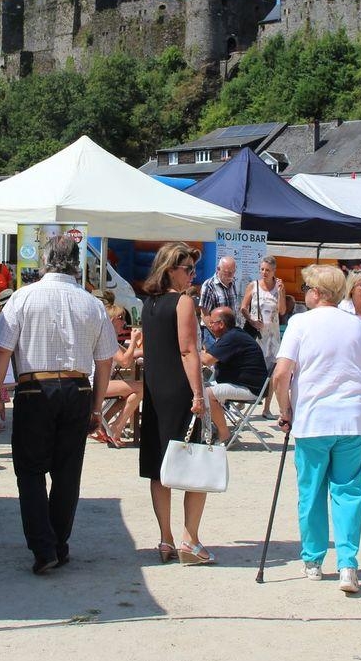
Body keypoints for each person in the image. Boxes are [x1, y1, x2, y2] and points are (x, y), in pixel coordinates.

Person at [0, 235, 115, 575]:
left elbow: (2, 350)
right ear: (77, 263)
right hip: (77, 387)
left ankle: (44, 548)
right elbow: (105, 361)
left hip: (34, 389)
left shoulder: (22, 298)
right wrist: (97, 406)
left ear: (45, 260)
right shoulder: (92, 303)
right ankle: (58, 543)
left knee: (29, 471)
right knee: (67, 472)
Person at [273, 265, 361, 594]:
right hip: (351, 420)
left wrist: (285, 408)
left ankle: (314, 559)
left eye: (306, 288)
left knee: (311, 491)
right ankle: (347, 563)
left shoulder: (300, 323)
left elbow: (281, 373)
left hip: (313, 420)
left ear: (317, 292)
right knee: (349, 491)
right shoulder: (359, 327)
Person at [138, 242, 215, 566]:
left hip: (155, 390)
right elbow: (188, 351)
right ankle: (190, 540)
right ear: (171, 269)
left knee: (160, 467)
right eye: (188, 269)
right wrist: (199, 394)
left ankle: (165, 538)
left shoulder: (149, 303)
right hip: (179, 390)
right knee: (194, 463)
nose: (192, 275)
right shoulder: (182, 302)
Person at [198, 306, 264, 441]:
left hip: (250, 388)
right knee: (198, 389)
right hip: (240, 383)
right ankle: (210, 427)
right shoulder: (232, 335)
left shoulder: (232, 337)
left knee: (207, 394)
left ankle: (224, 434)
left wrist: (188, 351)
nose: (210, 326)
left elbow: (207, 360)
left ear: (221, 324)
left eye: (212, 323)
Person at [99, 304, 144, 447]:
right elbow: (125, 362)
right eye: (121, 318)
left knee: (131, 394)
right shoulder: (107, 338)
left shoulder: (107, 338)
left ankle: (103, 425)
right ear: (111, 320)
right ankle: (115, 429)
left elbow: (131, 354)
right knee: (140, 388)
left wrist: (139, 343)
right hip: (97, 384)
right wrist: (133, 339)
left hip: (101, 382)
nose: (124, 322)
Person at [240, 255, 293, 372]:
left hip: (272, 334)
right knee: (254, 366)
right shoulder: (253, 285)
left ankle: (267, 390)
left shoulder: (279, 287)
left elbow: (282, 311)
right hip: (256, 333)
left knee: (271, 369)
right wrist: (251, 321)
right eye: (262, 269)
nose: (264, 272)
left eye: (268, 270)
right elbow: (243, 307)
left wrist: (280, 292)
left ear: (274, 271)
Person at [198, 255, 240, 347]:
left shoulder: (233, 284)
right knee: (214, 361)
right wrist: (217, 334)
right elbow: (204, 314)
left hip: (230, 333)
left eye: (232, 272)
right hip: (213, 334)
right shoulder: (209, 286)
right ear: (218, 269)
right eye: (226, 272)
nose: (230, 275)